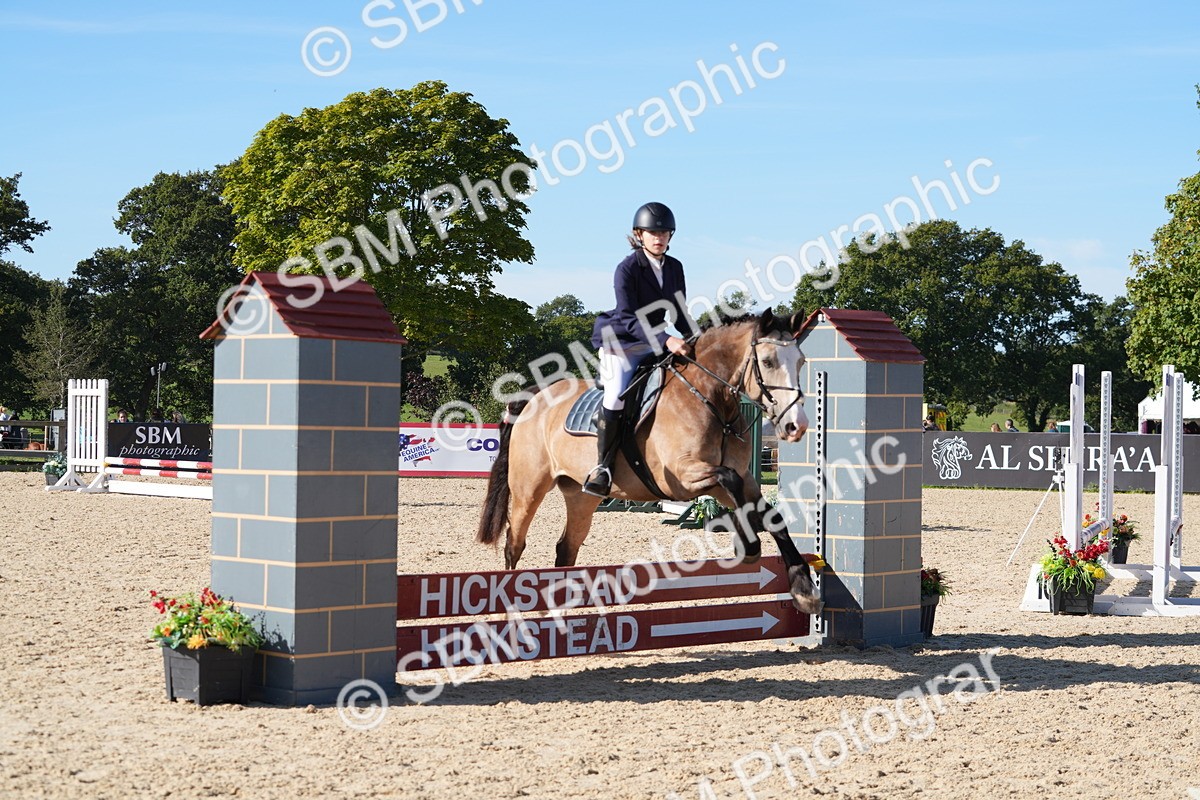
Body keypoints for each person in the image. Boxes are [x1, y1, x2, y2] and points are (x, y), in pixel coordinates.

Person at [583, 202, 698, 497]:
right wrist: (666, 340)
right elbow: (628, 317)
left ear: (670, 235)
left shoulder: (675, 267)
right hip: (621, 342)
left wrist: (696, 339)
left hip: (656, 341)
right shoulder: (627, 269)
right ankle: (603, 467)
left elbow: (680, 312)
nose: (658, 237)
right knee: (616, 395)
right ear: (639, 234)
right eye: (652, 232)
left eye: (663, 232)